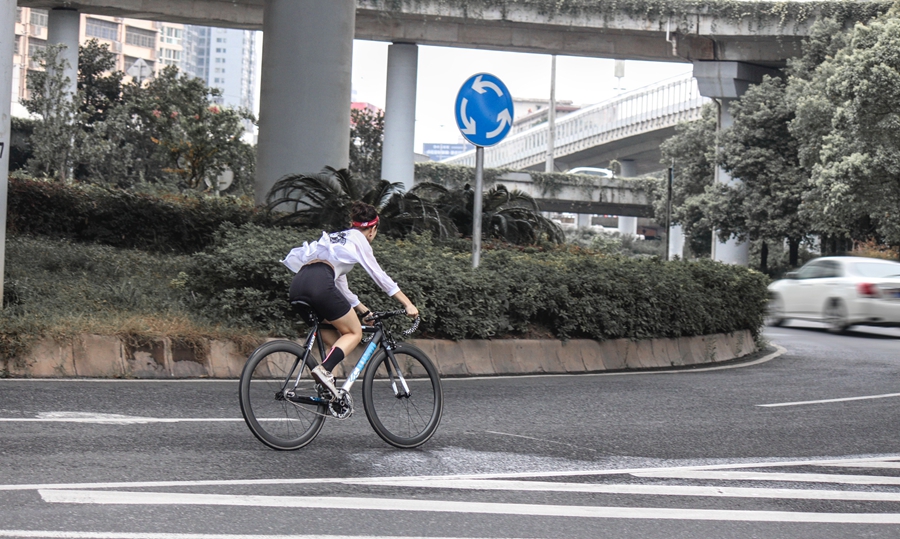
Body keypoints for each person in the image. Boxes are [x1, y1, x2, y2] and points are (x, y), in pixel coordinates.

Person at [281, 201, 418, 396]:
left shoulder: (339, 241)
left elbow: (343, 290)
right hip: (319, 285)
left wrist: (365, 311)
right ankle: (324, 370)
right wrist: (408, 303)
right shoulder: (359, 240)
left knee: (335, 341)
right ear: (372, 230)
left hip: (298, 285)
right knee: (354, 333)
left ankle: (328, 393)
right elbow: (379, 276)